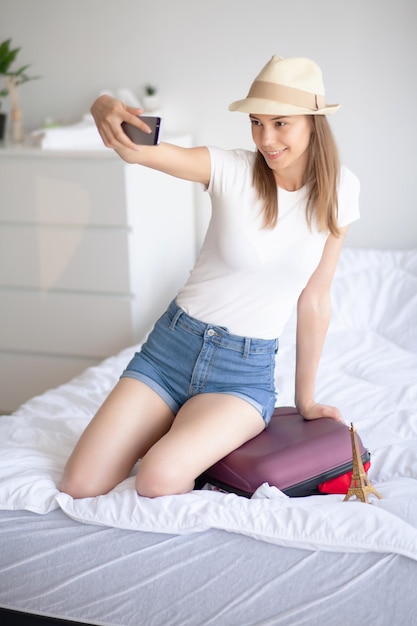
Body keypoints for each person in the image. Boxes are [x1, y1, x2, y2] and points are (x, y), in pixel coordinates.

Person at [60, 55, 360, 500]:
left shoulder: (341, 192)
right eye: (256, 123)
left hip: (241, 375)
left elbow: (315, 298)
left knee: (157, 479)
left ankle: (185, 441)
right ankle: (179, 431)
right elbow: (135, 149)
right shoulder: (232, 169)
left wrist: (306, 400)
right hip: (169, 352)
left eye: (281, 124)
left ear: (314, 122)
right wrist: (103, 104)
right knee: (79, 485)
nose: (266, 139)